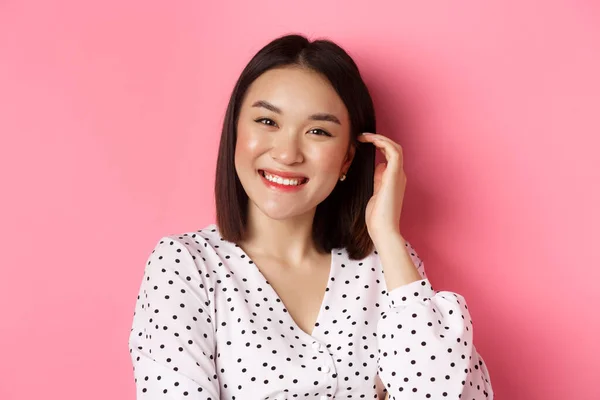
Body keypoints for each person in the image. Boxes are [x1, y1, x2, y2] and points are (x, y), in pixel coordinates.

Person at [128, 34, 494, 400]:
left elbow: (448, 392)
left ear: (347, 159)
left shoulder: (389, 267)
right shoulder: (185, 266)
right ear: (235, 131)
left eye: (318, 131)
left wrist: (387, 235)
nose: (287, 154)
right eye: (267, 121)